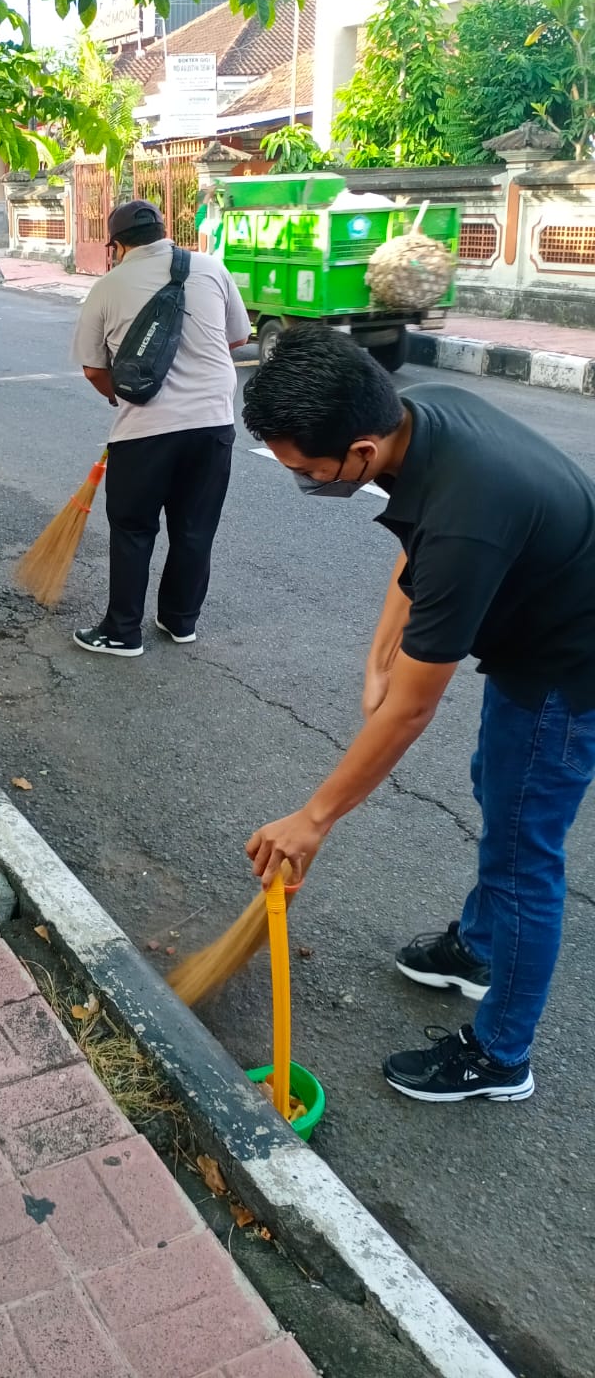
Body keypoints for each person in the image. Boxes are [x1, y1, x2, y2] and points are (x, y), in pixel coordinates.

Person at [240, 326, 595, 1103]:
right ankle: (477, 946)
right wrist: (380, 652)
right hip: (543, 627)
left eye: (308, 469)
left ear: (361, 450)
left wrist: (314, 817)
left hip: (567, 669)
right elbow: (415, 546)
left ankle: (502, 1057)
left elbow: (408, 715)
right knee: (498, 789)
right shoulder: (419, 413)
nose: (302, 478)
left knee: (522, 850)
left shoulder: (468, 510)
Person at [70, 198, 251, 656]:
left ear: (116, 245)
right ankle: (180, 620)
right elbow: (238, 337)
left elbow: (93, 368)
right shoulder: (210, 268)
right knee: (195, 528)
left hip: (144, 431)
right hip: (213, 424)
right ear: (164, 230)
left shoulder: (107, 287)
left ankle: (122, 632)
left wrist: (120, 396)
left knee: (133, 530)